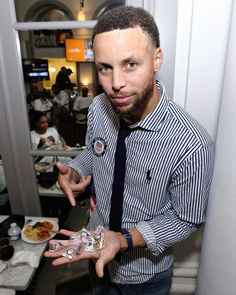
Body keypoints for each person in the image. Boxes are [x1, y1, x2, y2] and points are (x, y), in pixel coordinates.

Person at [45, 6, 214, 295]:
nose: (116, 84)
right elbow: (96, 151)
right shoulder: (99, 107)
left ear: (156, 58)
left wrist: (122, 240)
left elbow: (187, 218)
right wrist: (76, 169)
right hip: (94, 250)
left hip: (146, 277)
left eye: (130, 64)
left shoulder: (192, 143)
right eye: (105, 68)